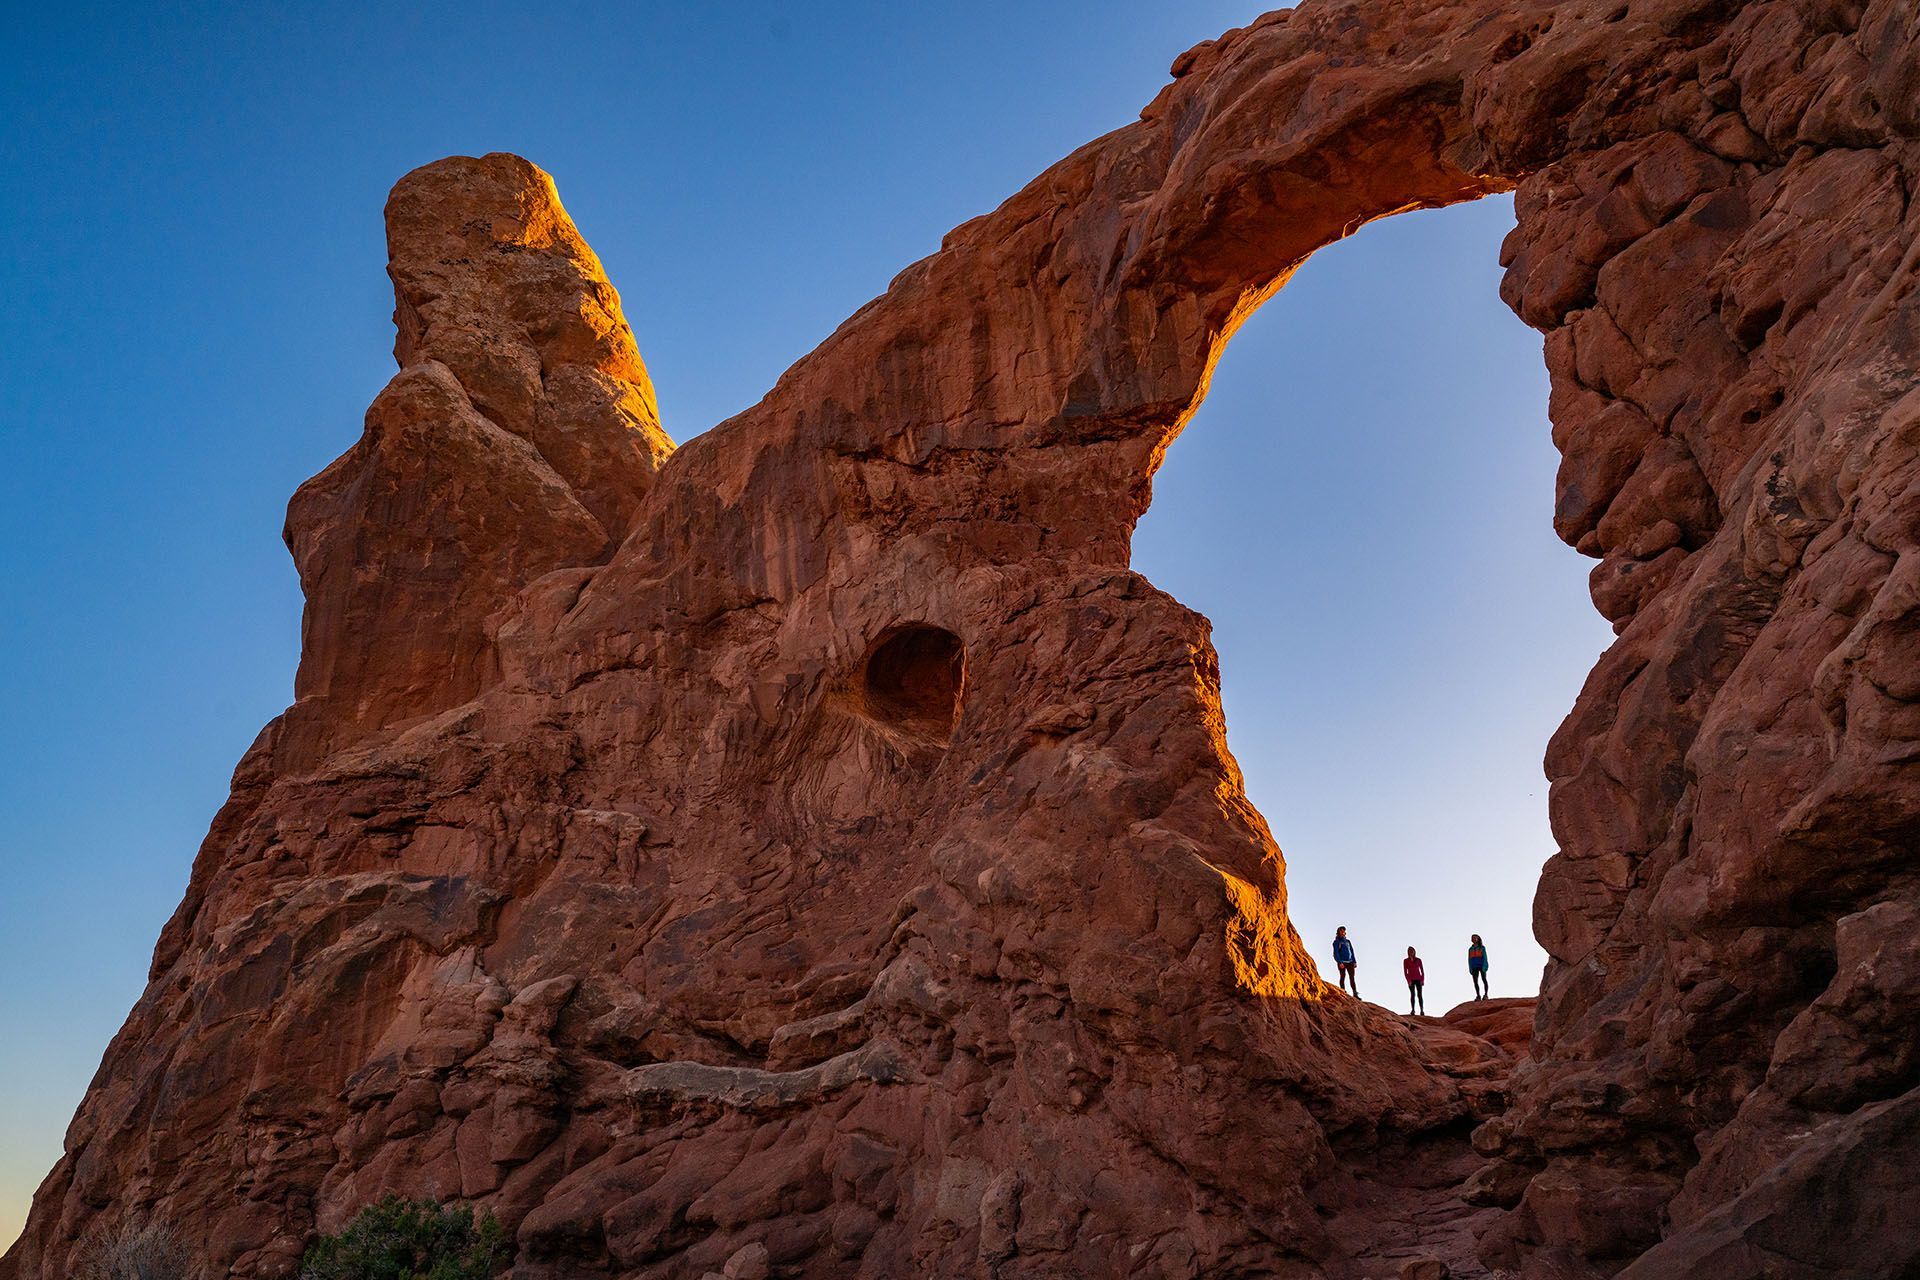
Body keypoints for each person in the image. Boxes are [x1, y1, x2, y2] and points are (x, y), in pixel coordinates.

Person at [1332, 927, 1358, 996]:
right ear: (1338, 933)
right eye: (1341, 931)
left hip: (1350, 962)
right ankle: (1343, 991)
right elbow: (1336, 953)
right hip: (1342, 962)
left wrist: (1354, 961)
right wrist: (1339, 962)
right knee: (1342, 976)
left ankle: (1355, 993)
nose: (1342, 932)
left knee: (1352, 978)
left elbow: (1352, 951)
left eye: (1343, 931)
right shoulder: (1336, 942)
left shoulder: (1348, 941)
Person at [1403, 946, 1426, 1014]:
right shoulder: (1406, 961)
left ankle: (1422, 1010)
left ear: (1414, 951)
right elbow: (1405, 972)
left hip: (1418, 979)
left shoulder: (1418, 960)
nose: (1411, 952)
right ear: (1408, 952)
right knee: (1412, 994)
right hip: (1411, 980)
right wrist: (1408, 981)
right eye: (1410, 951)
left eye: (1412, 951)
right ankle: (1413, 1010)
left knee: (1420, 995)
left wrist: (1422, 980)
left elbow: (1422, 970)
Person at [1468, 934, 1489, 999]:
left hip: (1481, 965)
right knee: (1475, 981)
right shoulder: (1470, 949)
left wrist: (1485, 966)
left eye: (1475, 938)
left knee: (1484, 979)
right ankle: (1478, 995)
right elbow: (1469, 959)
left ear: (1478, 939)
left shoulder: (1482, 948)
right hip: (1474, 966)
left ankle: (1485, 994)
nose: (1473, 939)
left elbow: (1485, 957)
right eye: (1472, 938)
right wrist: (1470, 968)